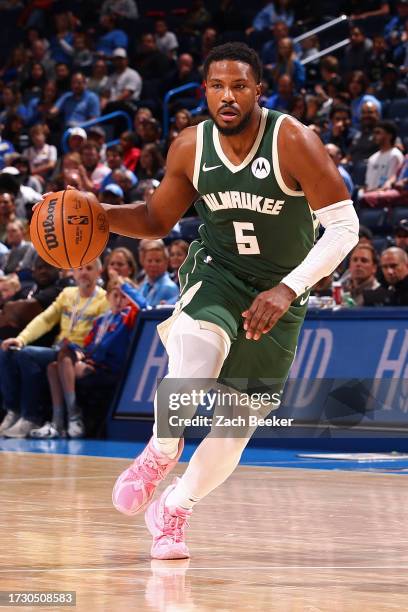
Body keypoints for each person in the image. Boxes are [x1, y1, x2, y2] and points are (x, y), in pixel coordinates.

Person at [45, 43, 359, 560]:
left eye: (239, 86)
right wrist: (99, 214)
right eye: (217, 86)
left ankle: (176, 507)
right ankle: (162, 450)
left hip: (282, 289)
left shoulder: (294, 141)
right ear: (204, 92)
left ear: (259, 90)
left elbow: (344, 228)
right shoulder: (191, 146)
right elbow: (154, 220)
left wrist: (287, 289)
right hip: (217, 272)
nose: (228, 96)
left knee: (236, 425)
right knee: (195, 353)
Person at [0, 260, 108, 438]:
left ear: (99, 272)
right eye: (80, 269)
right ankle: (13, 410)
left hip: (79, 353)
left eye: (89, 269)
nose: (84, 273)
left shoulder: (103, 299)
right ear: (73, 272)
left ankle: (31, 417)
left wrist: (88, 355)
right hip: (58, 350)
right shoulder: (67, 294)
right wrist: (21, 339)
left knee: (27, 355)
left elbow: (101, 334)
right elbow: (45, 319)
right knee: (8, 350)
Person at [31, 275, 146, 439]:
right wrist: (79, 352)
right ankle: (58, 422)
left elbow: (143, 306)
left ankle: (73, 417)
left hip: (108, 368)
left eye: (124, 297)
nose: (119, 300)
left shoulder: (128, 318)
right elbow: (90, 346)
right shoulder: (101, 320)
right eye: (116, 295)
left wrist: (126, 288)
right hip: (92, 363)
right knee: (53, 366)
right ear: (107, 297)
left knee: (64, 359)